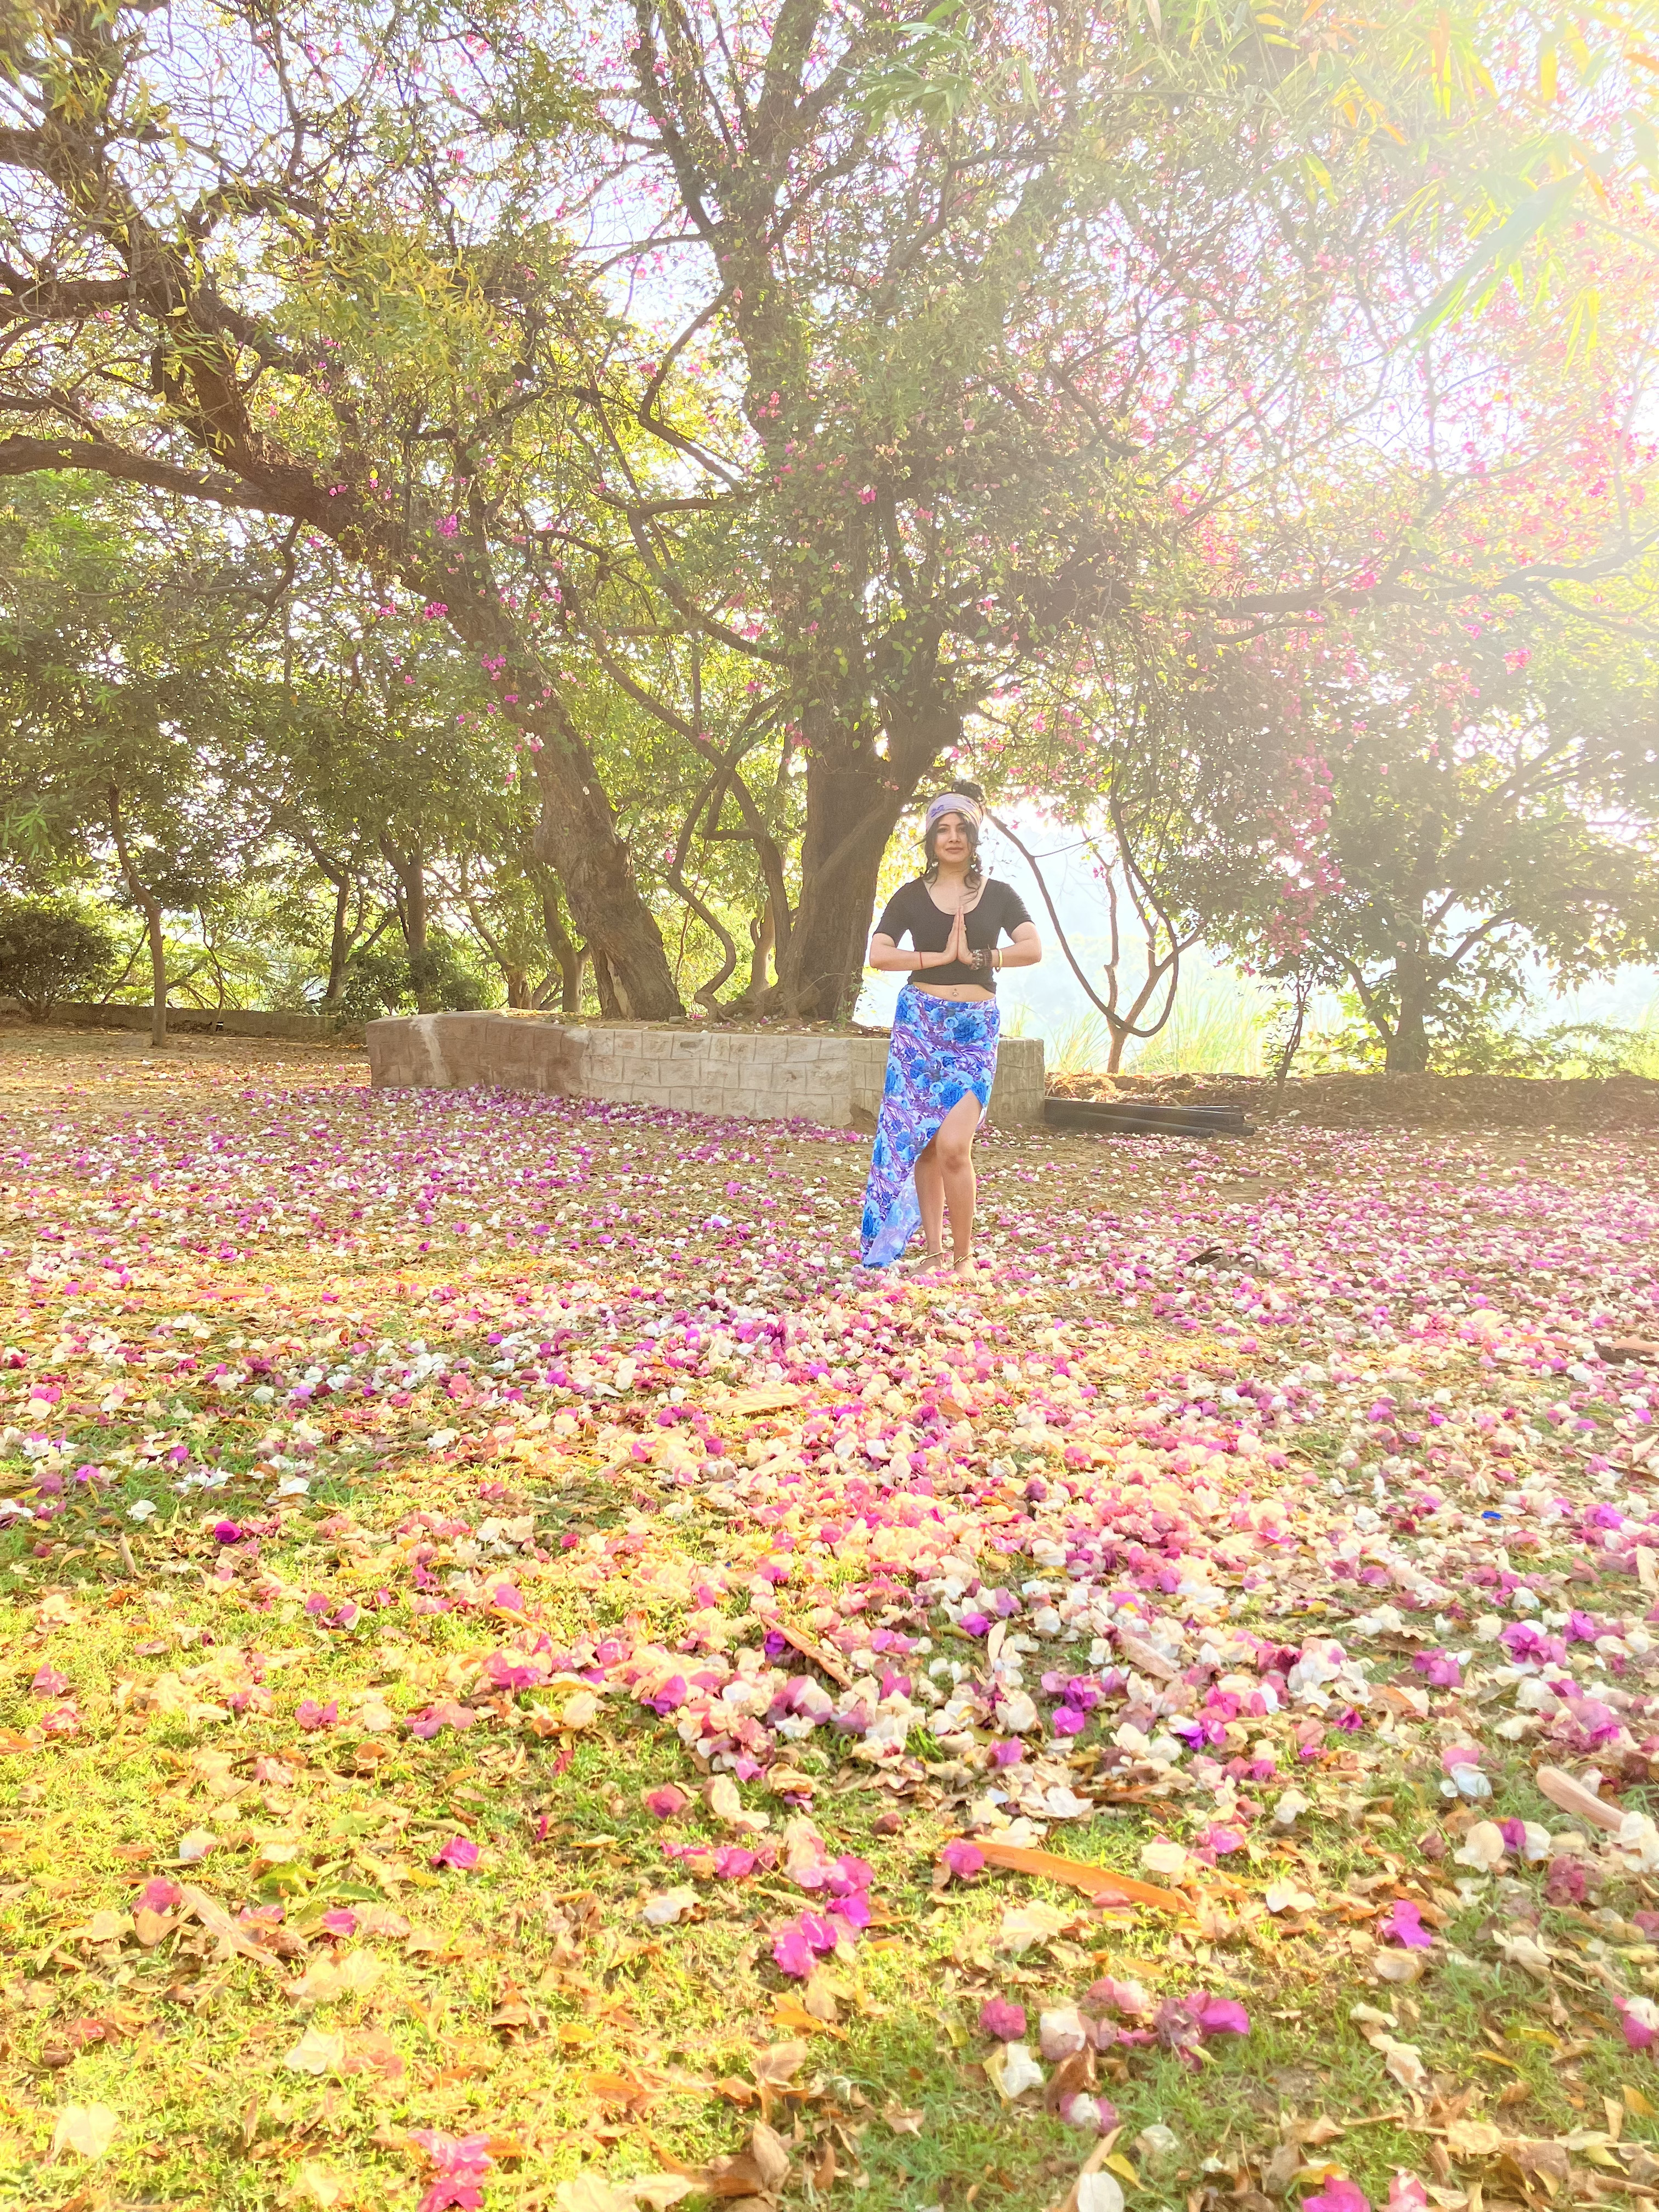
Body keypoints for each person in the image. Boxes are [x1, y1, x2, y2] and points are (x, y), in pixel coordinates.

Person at [859, 782, 1042, 1276]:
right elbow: (879, 953)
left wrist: (983, 956)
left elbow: (1032, 947)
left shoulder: (999, 896)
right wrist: (937, 958)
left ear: (975, 838)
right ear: (931, 839)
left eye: (962, 829)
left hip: (975, 1030)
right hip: (920, 1025)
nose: (954, 837)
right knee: (924, 1146)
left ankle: (963, 1260)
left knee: (955, 1146)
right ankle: (934, 1254)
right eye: (944, 829)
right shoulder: (911, 897)